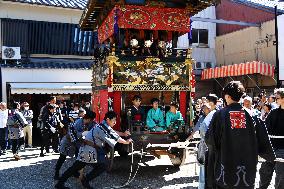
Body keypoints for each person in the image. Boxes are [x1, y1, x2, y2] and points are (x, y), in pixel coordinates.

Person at [205, 81, 274, 189]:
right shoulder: (253, 115)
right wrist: (269, 156)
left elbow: (210, 140)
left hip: (225, 168)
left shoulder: (220, 115)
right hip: (247, 171)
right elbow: (263, 140)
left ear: (227, 96)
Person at [55, 111, 133, 189]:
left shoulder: (102, 125)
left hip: (88, 149)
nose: (115, 122)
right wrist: (126, 142)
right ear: (108, 119)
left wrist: (123, 134)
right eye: (114, 120)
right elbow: (115, 137)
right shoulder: (102, 127)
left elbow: (112, 132)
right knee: (101, 166)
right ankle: (80, 181)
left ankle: (65, 183)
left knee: (78, 167)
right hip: (87, 150)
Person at [54, 111, 97, 180]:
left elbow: (95, 127)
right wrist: (83, 133)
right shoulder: (78, 123)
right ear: (89, 119)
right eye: (91, 120)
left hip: (78, 142)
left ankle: (75, 172)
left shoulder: (90, 123)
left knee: (79, 158)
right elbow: (73, 135)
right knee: (62, 157)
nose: (92, 121)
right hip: (68, 141)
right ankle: (56, 172)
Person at [259, 88, 284, 189]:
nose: (275, 100)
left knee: (281, 176)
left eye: (277, 98)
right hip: (271, 148)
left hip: (283, 149)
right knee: (264, 172)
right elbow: (266, 128)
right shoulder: (273, 112)